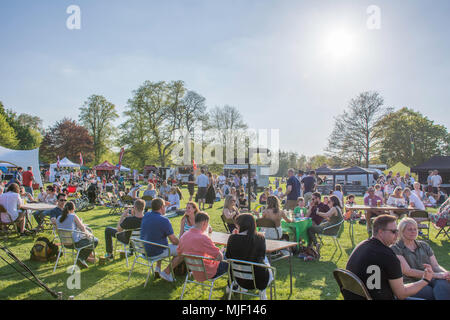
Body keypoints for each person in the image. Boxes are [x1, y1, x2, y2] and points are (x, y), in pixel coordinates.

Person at [346, 214, 434, 300]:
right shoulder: (388, 256)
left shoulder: (361, 246)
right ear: (380, 232)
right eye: (393, 231)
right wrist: (425, 280)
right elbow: (401, 294)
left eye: (397, 231)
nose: (397, 235)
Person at [390, 218, 450, 300]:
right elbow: (408, 271)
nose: (413, 231)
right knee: (434, 292)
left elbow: (435, 266)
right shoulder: (395, 248)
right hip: (411, 284)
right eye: (410, 229)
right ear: (402, 231)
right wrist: (437, 275)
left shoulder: (424, 245)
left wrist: (446, 274)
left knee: (443, 283)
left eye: (415, 229)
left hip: (431, 279)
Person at [225, 214, 273, 300]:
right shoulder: (260, 238)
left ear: (240, 225)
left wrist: (233, 237)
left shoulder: (232, 238)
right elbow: (261, 256)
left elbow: (228, 256)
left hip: (238, 278)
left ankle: (236, 288)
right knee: (264, 260)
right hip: (258, 279)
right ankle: (263, 294)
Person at [140, 198, 182, 282]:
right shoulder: (164, 220)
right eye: (165, 207)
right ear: (162, 207)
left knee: (159, 242)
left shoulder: (146, 215)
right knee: (183, 251)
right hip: (155, 251)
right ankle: (166, 272)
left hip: (145, 250)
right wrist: (182, 243)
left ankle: (157, 269)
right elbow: (173, 240)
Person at [177, 212, 228, 282]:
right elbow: (220, 257)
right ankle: (233, 285)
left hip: (195, 271)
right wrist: (220, 252)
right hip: (209, 272)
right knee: (230, 255)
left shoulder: (184, 235)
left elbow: (179, 252)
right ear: (205, 223)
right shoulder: (204, 238)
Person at [55, 201, 98, 268]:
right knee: (95, 240)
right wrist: (88, 235)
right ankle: (81, 258)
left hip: (65, 243)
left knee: (86, 240)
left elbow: (57, 231)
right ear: (73, 209)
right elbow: (82, 228)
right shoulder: (73, 216)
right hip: (75, 243)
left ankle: (83, 259)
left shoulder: (58, 218)